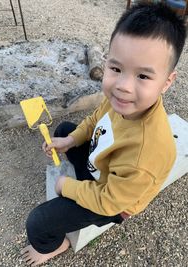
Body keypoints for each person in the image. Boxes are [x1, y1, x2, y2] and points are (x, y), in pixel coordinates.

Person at [21, 2, 186, 266]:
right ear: (107, 62)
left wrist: (68, 187)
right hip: (102, 168)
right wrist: (71, 140)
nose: (123, 86)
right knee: (65, 131)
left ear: (167, 82)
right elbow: (95, 121)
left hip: (113, 202)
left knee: (39, 222)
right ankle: (78, 164)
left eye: (143, 76)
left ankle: (54, 245)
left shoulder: (146, 152)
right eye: (116, 69)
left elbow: (109, 201)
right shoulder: (120, 100)